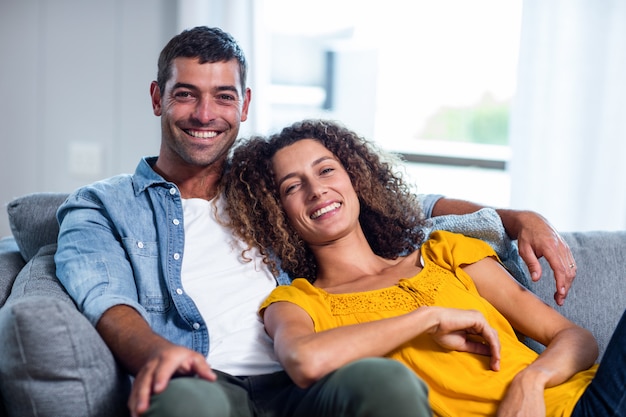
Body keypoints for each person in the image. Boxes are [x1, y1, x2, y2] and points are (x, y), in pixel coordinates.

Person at [54, 26, 574, 417]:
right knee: (187, 403)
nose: (204, 113)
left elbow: (389, 202)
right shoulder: (103, 205)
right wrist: (159, 354)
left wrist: (510, 217)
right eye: (186, 93)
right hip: (205, 377)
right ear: (157, 98)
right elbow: (104, 296)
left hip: (311, 378)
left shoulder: (265, 188)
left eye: (223, 96)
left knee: (384, 382)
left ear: (245, 105)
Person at [223, 118, 626, 416]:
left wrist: (531, 381)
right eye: (292, 186)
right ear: (277, 210)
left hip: (589, 402)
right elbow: (304, 362)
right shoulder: (297, 302)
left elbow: (575, 338)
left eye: (326, 169)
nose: (316, 190)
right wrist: (429, 317)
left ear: (354, 179)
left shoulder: (445, 252)